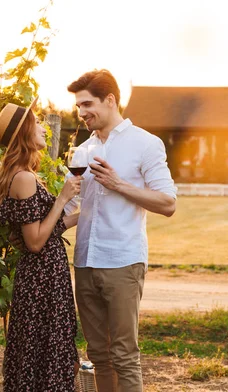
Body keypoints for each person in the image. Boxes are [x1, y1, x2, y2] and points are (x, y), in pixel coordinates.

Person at [66, 70, 177, 392]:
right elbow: (76, 210)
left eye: (87, 104)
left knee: (124, 354)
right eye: (78, 106)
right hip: (85, 262)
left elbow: (167, 203)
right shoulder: (82, 152)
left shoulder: (145, 144)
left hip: (123, 262)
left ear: (110, 100)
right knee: (98, 354)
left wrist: (118, 185)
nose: (81, 112)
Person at [0, 99, 83, 391]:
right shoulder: (25, 178)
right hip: (42, 280)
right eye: (37, 123)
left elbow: (49, 228)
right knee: (44, 357)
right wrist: (64, 199)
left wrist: (86, 213)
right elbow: (35, 242)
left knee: (40, 355)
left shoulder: (23, 175)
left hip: (44, 278)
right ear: (24, 133)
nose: (43, 128)